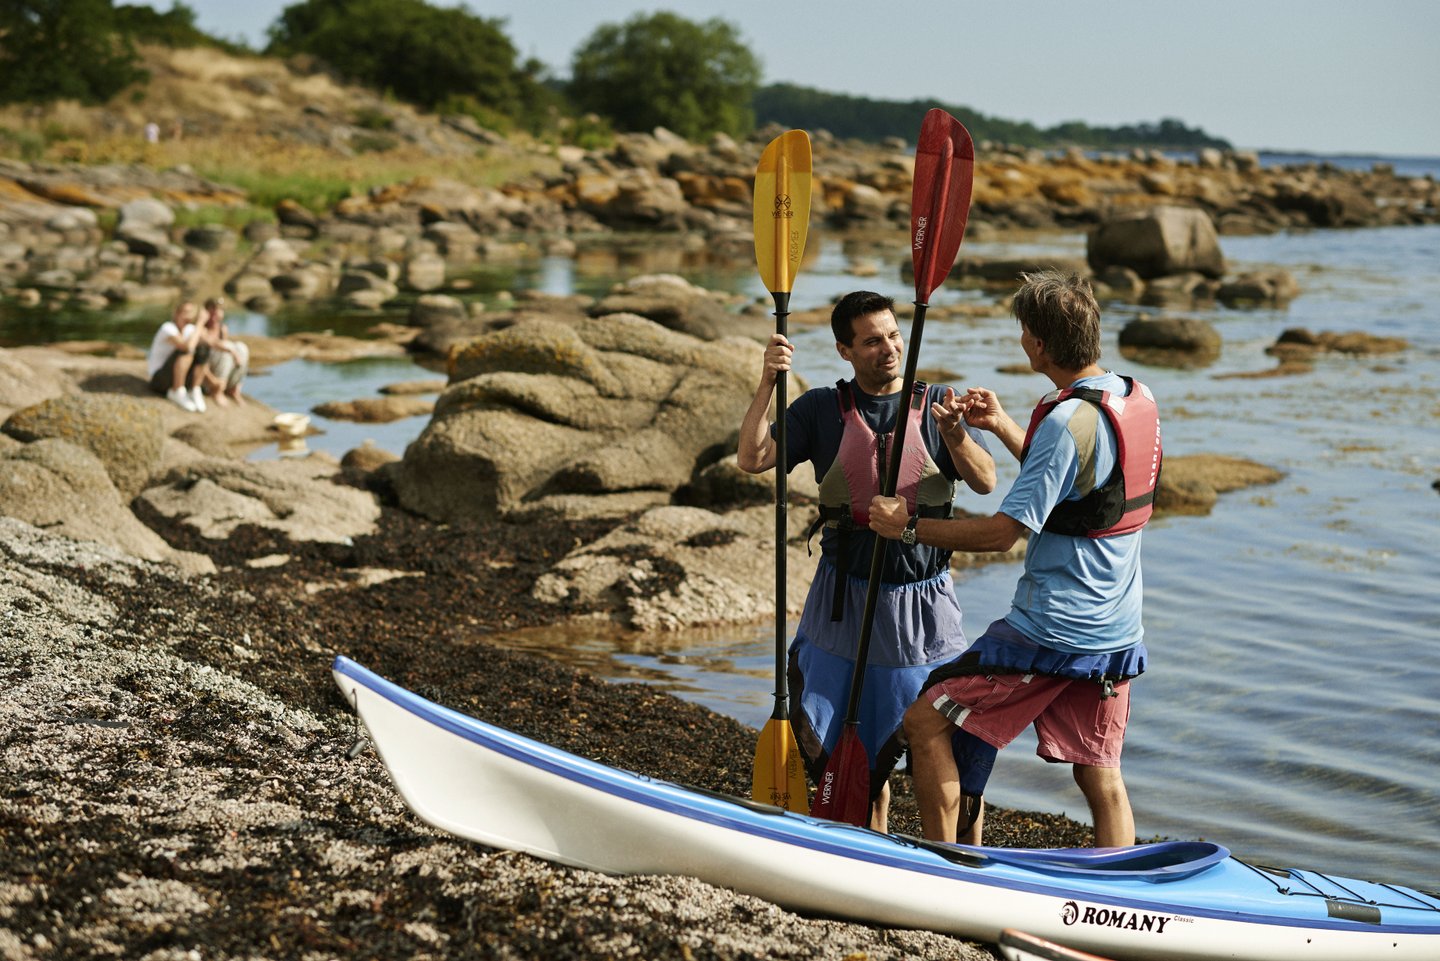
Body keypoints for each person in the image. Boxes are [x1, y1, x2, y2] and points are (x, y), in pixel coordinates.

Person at [870, 269, 1162, 847]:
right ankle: (1116, 891)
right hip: (1119, 631)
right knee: (1099, 771)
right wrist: (1000, 424)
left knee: (926, 721)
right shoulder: (1133, 396)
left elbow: (1003, 534)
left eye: (1024, 331)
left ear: (1037, 343)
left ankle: (941, 866)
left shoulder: (1062, 421)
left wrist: (908, 527)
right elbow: (1077, 486)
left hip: (1054, 630)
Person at [738, 290, 996, 831]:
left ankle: (962, 861)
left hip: (921, 608)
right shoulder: (820, 410)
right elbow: (753, 458)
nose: (889, 348)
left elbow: (985, 480)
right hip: (843, 607)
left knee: (947, 747)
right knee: (855, 760)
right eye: (872, 340)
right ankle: (865, 855)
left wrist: (955, 433)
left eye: (894, 335)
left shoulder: (939, 404)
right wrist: (766, 382)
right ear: (844, 351)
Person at [146, 300, 209, 412]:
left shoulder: (190, 329)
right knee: (185, 351)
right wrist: (200, 324)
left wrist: (232, 350)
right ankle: (177, 391)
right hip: (160, 379)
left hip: (177, 374)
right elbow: (187, 347)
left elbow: (209, 343)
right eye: (185, 312)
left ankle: (195, 389)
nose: (188, 316)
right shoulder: (167, 328)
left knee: (203, 349)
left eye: (191, 312)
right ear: (176, 314)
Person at [200, 297, 249, 406]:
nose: (215, 314)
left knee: (242, 347)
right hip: (206, 377)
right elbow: (201, 361)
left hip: (219, 370)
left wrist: (233, 352)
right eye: (212, 310)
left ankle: (234, 389)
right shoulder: (201, 329)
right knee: (227, 348)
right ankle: (216, 391)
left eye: (218, 310)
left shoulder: (223, 329)